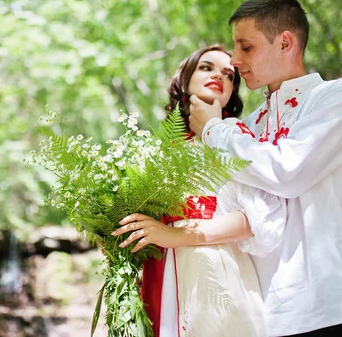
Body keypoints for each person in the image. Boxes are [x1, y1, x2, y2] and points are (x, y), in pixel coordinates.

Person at [187, 0, 342, 336]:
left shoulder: (338, 97)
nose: (234, 60)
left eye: (246, 47)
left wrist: (214, 130)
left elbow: (287, 171)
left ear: (286, 42)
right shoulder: (251, 122)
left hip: (329, 308)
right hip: (262, 314)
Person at [113, 44, 287, 337]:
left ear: (233, 92)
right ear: (185, 78)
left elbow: (253, 220)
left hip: (215, 271)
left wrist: (173, 234)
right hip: (162, 271)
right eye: (206, 67)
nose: (218, 76)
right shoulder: (161, 149)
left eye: (229, 75)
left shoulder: (233, 134)